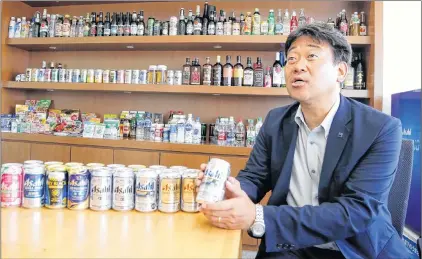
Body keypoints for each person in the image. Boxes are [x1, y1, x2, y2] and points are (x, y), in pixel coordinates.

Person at [196, 23, 416, 259]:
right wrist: (231, 190)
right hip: (290, 245)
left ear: (341, 71)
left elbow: (357, 212)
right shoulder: (276, 120)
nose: (297, 66)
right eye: (291, 59)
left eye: (311, 56)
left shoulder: (381, 128)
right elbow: (254, 177)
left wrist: (258, 216)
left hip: (356, 249)